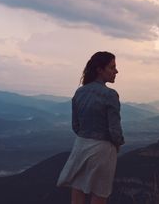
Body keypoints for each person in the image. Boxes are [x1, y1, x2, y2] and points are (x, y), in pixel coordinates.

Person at [57, 51, 125, 204]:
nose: (116, 71)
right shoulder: (110, 95)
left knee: (78, 187)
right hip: (103, 149)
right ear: (100, 70)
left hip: (80, 146)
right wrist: (118, 144)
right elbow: (114, 130)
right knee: (100, 193)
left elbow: (76, 125)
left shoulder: (79, 92)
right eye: (112, 67)